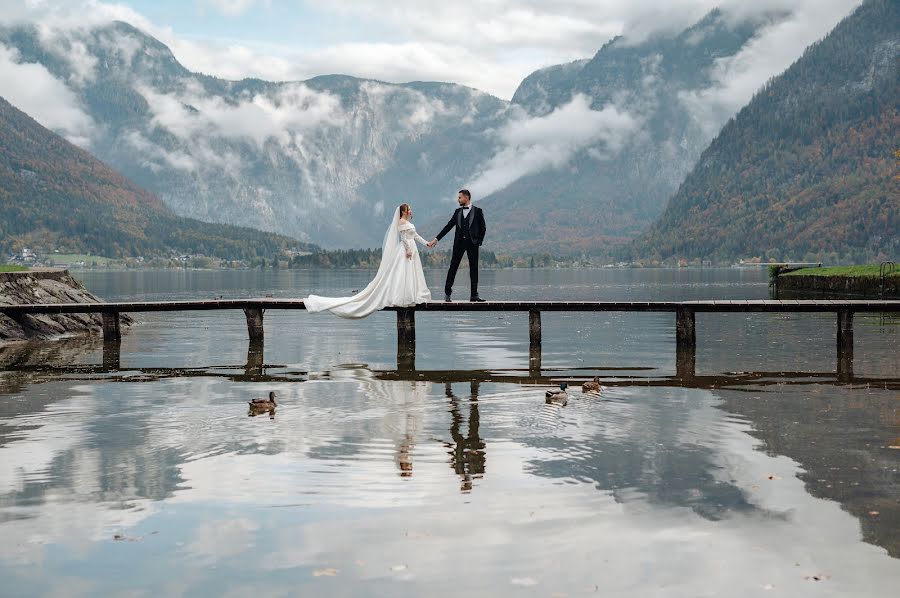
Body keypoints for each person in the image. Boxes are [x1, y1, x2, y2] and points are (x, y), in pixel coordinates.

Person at [305, 204, 431, 318]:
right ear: (404, 211)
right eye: (409, 209)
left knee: (410, 274)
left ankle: (410, 296)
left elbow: (415, 236)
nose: (411, 211)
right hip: (405, 250)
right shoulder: (401, 222)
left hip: (412, 250)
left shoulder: (408, 223)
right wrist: (408, 250)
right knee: (402, 274)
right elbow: (403, 238)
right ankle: (403, 297)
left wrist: (427, 244)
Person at [428, 189, 486, 302]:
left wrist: (478, 241)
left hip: (473, 244)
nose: (458, 199)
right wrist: (436, 239)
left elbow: (483, 228)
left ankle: (474, 295)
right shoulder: (457, 212)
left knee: (474, 269)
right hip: (458, 244)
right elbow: (448, 226)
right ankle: (447, 294)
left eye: (460, 197)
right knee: (453, 268)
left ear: (467, 197)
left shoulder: (478, 211)